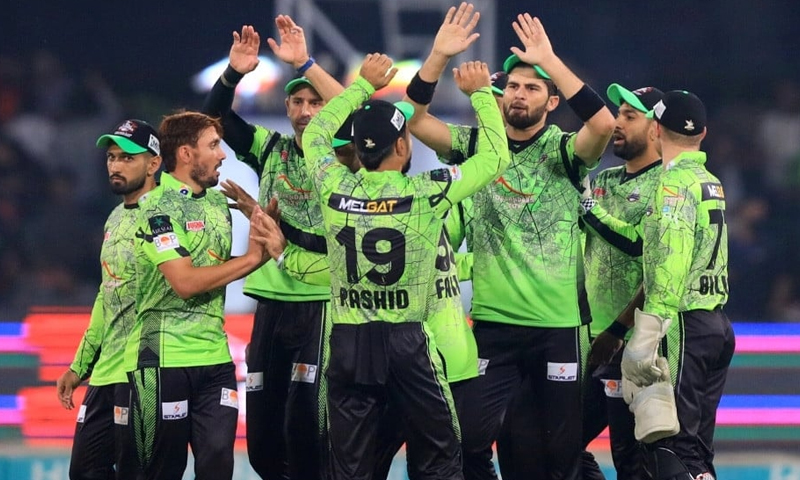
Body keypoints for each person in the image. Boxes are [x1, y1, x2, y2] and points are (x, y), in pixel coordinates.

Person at [404, 9, 615, 480]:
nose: (519, 94)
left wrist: (550, 60)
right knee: (467, 440)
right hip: (493, 326)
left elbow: (602, 125)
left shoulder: (564, 151)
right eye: (513, 86)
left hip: (557, 327)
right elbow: (413, 119)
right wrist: (438, 55)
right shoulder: (476, 146)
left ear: (553, 101)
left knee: (556, 458)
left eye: (532, 88)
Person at [297, 46, 509, 479]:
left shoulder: (333, 185)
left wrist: (361, 85)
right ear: (401, 143)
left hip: (349, 340)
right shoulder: (427, 191)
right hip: (408, 341)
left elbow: (315, 134)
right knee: (439, 455)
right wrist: (482, 95)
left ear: (358, 150)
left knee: (350, 465)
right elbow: (495, 158)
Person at [201, 20, 344, 479]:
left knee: (308, 433)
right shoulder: (271, 148)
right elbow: (214, 119)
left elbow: (358, 112)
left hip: (320, 305)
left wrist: (305, 63)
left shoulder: (348, 159)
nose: (305, 111)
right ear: (286, 107)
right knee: (263, 445)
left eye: (316, 102)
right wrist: (232, 74)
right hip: (270, 304)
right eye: (298, 102)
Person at [122, 111, 272, 480]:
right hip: (163, 359)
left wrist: (267, 229)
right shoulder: (155, 208)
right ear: (186, 154)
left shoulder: (219, 204)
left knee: (218, 464)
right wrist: (253, 258)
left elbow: (221, 269)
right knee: (162, 471)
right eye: (213, 146)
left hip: (215, 359)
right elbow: (185, 282)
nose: (223, 155)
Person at [620, 91, 735, 480]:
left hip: (682, 322)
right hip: (717, 325)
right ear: (702, 133)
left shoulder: (672, 184)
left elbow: (671, 258)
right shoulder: (710, 181)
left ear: (655, 130)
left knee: (671, 444)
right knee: (698, 449)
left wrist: (648, 333)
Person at [56, 119, 161, 480]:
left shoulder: (166, 214)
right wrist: (79, 366)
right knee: (84, 470)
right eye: (112, 157)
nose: (116, 165)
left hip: (145, 369)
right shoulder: (114, 218)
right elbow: (107, 293)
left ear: (153, 163)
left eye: (127, 158)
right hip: (106, 371)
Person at [578, 84, 664, 480]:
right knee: (555, 445)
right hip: (589, 340)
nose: (617, 122)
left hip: (634, 345)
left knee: (631, 460)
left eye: (630, 116)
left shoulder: (666, 185)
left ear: (655, 128)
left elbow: (641, 250)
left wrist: (617, 330)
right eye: (617, 113)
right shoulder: (603, 180)